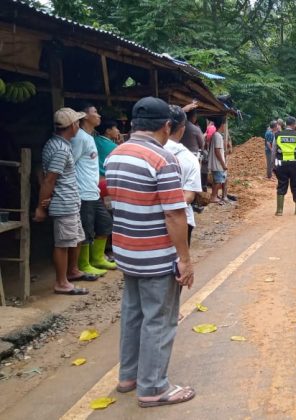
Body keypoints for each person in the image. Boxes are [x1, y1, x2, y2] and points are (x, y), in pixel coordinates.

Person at [104, 96, 196, 408]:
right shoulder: (162, 159)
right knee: (159, 319)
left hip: (126, 251)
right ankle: (153, 387)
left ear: (134, 123)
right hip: (156, 255)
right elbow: (174, 214)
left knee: (133, 314)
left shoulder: (115, 154)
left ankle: (128, 376)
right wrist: (184, 259)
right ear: (167, 126)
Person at [34, 108, 96, 295]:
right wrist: (41, 207)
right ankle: (61, 282)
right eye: (77, 122)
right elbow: (50, 179)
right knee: (63, 244)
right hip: (64, 202)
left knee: (76, 238)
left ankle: (72, 270)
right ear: (73, 125)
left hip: (70, 200)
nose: (79, 125)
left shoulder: (58, 144)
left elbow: (43, 173)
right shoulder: (61, 149)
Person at [71, 105, 116, 275]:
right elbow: (70, 163)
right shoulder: (79, 138)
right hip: (82, 191)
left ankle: (97, 258)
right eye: (95, 112)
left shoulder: (90, 137)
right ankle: (84, 264)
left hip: (93, 190)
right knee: (86, 228)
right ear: (84, 116)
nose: (99, 115)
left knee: (105, 223)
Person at [165, 105, 202, 246]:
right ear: (182, 129)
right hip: (181, 220)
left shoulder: (141, 153)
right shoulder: (189, 159)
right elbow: (189, 196)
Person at [271, 116, 296, 216]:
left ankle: (279, 211)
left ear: (285, 124)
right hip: (295, 164)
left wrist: (272, 165)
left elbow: (273, 151)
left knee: (281, 184)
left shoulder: (277, 135)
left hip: (281, 164)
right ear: (294, 124)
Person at [207, 117, 228, 205]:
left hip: (214, 163)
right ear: (222, 125)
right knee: (218, 181)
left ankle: (214, 195)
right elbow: (217, 151)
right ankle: (213, 197)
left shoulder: (215, 135)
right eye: (224, 125)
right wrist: (223, 164)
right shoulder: (218, 136)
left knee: (216, 180)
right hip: (218, 163)